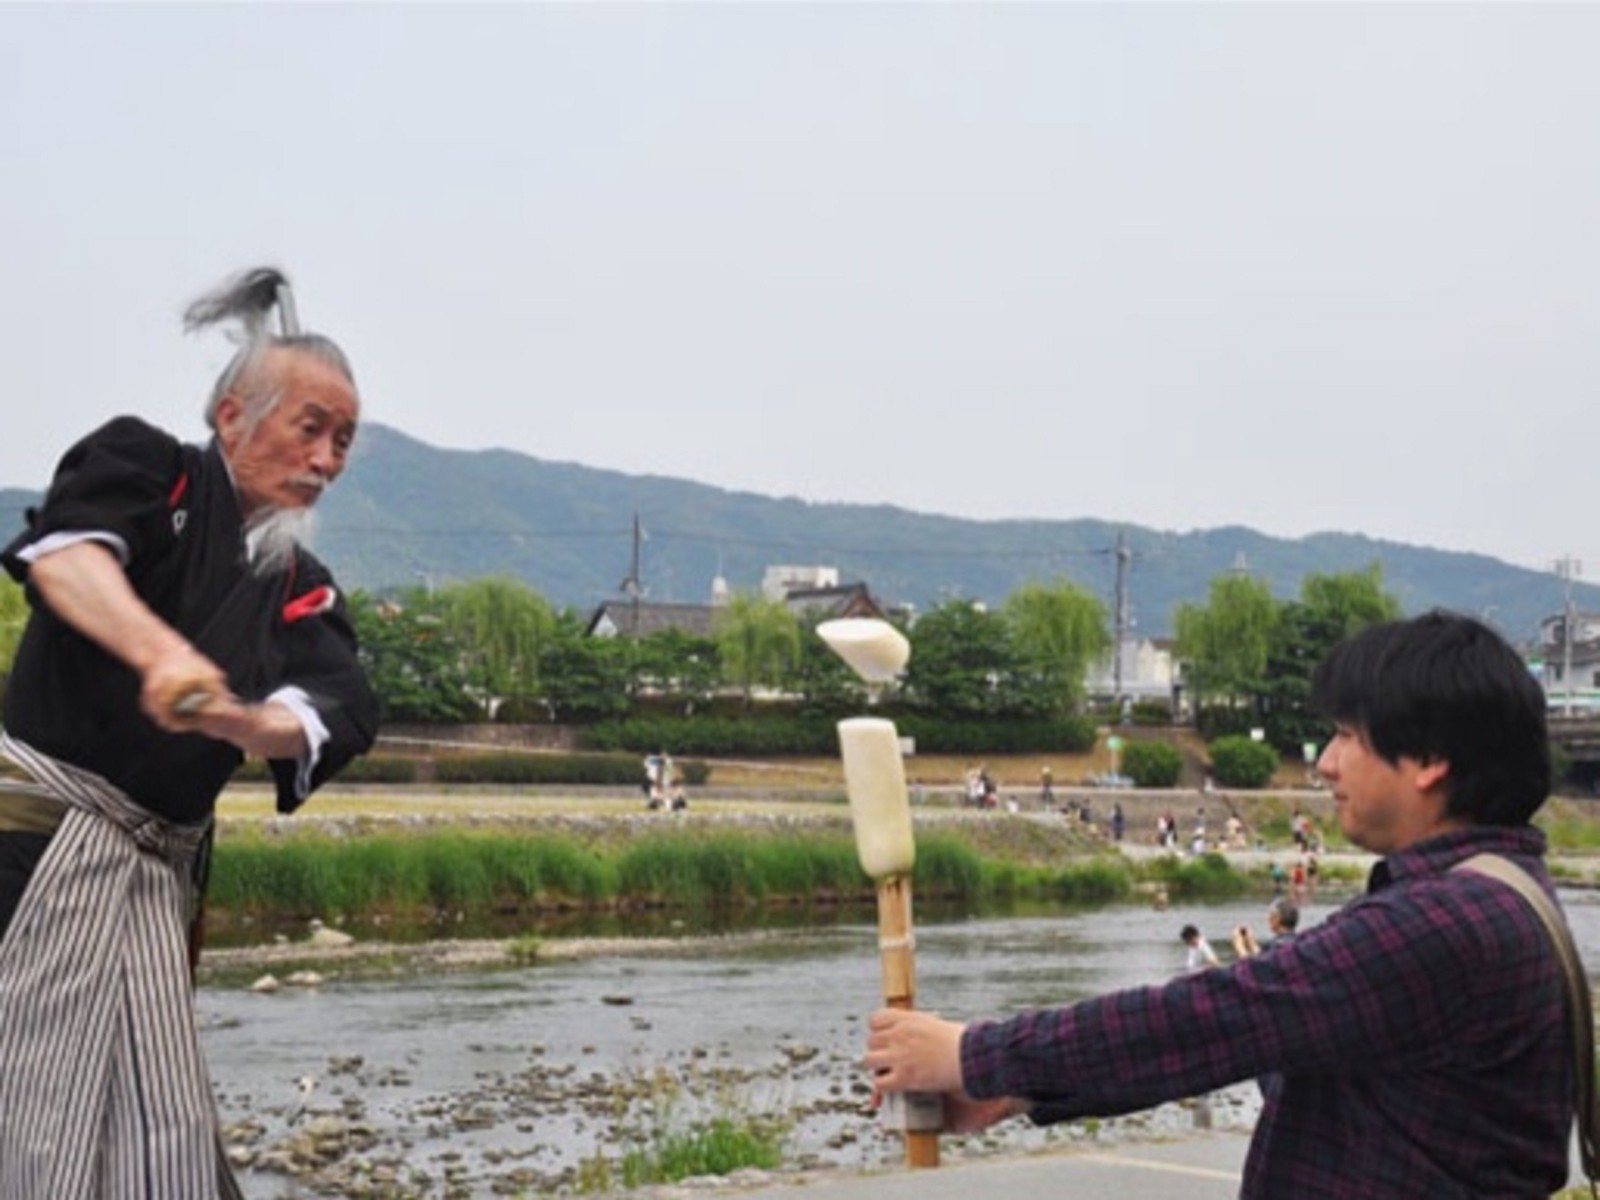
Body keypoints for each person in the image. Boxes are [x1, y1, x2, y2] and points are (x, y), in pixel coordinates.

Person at [866, 611, 1576, 1196]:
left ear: (1428, 760)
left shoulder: (1443, 925)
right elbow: (1263, 1039)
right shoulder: (1493, 896)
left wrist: (974, 1054)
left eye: (1347, 736)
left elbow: (1214, 1017)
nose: (1325, 762)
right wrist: (1015, 1090)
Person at [0, 266, 379, 1199]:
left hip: (157, 881)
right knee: (25, 1088)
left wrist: (250, 719)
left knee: (150, 1110)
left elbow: (339, 704)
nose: (328, 459)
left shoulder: (300, 582)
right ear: (232, 417)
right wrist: (160, 654)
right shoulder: (145, 467)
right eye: (311, 428)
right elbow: (72, 559)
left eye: (344, 440)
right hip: (36, 854)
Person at [1233, 897, 1300, 958]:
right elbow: (1262, 959)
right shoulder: (1299, 942)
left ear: (1277, 919)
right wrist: (1251, 942)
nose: (1268, 919)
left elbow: (1255, 968)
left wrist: (1239, 946)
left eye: (1271, 915)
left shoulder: (1275, 945)